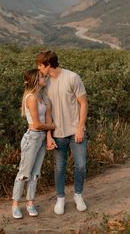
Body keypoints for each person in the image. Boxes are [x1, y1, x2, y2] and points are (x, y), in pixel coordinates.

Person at [36, 50, 88, 215]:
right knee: (59, 168)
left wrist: (80, 127)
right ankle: (60, 198)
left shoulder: (72, 77)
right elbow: (46, 113)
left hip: (75, 130)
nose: (38, 69)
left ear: (48, 65)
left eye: (40, 65)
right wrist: (49, 135)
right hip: (57, 133)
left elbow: (84, 103)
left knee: (81, 165)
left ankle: (78, 195)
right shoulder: (44, 83)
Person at [12, 69, 54, 219]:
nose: (45, 77)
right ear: (36, 80)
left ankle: (30, 203)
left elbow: (48, 119)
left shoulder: (43, 97)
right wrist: (54, 127)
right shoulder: (30, 98)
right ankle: (15, 204)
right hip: (32, 138)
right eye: (43, 76)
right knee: (24, 173)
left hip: (42, 138)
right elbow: (36, 124)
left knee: (35, 173)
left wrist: (49, 136)